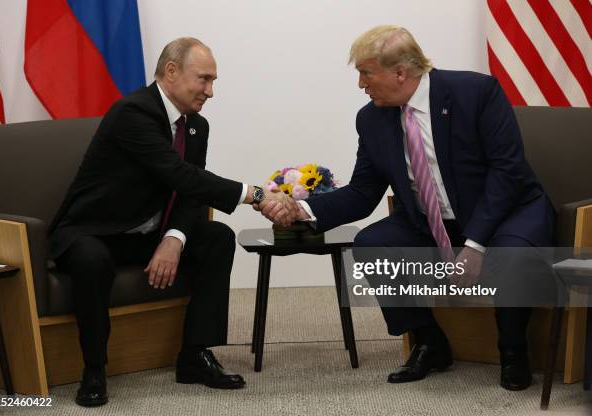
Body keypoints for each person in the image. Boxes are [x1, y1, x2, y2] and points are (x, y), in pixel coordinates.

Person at [259, 25, 555, 391]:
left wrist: (476, 243)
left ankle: (513, 350)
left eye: (366, 73)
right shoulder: (371, 119)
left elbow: (506, 172)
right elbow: (364, 193)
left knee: (510, 254)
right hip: (435, 221)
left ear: (400, 72)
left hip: (508, 211)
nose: (361, 85)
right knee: (371, 245)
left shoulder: (475, 92)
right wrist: (303, 209)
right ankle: (429, 342)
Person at [49, 37, 297, 407]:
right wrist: (257, 195)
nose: (211, 91)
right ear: (171, 71)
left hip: (147, 232)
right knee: (91, 260)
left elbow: (190, 193)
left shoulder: (195, 126)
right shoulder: (132, 113)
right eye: (204, 79)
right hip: (93, 229)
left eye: (213, 81)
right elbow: (180, 175)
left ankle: (195, 356)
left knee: (216, 237)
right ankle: (94, 369)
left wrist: (175, 238)